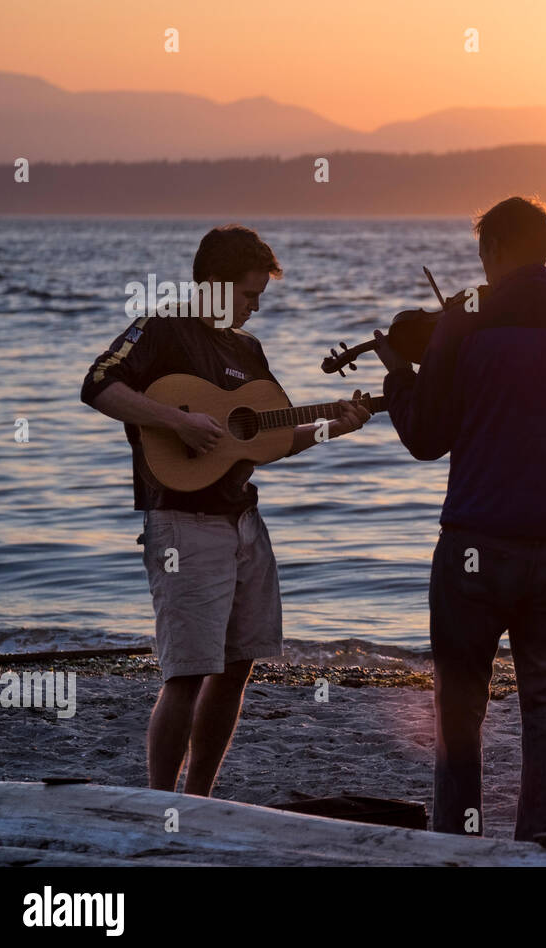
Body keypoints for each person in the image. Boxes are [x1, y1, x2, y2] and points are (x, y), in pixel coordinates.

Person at [375, 196, 546, 841]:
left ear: (493, 251)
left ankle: (458, 834)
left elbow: (424, 437)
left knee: (459, 704)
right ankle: (543, 836)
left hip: (476, 543)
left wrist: (398, 380)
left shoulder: (462, 322)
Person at [80, 224, 370, 796]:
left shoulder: (248, 350)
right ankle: (161, 801)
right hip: (182, 523)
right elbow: (97, 384)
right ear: (213, 284)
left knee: (238, 667)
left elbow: (267, 438)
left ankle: (200, 798)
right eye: (248, 294)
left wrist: (335, 425)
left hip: (244, 522)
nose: (255, 307)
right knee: (188, 671)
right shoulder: (161, 329)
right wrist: (178, 421)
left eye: (261, 296)